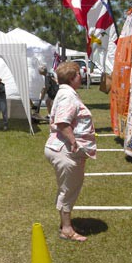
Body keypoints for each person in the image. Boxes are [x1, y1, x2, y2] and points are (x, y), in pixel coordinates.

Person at [44, 61, 96, 242]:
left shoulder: (65, 93)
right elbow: (62, 122)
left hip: (61, 149)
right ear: (72, 77)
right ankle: (66, 229)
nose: (81, 77)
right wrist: (74, 142)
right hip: (65, 150)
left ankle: (65, 223)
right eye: (79, 74)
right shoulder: (68, 96)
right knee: (69, 189)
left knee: (67, 188)